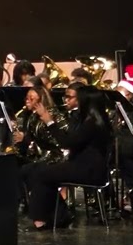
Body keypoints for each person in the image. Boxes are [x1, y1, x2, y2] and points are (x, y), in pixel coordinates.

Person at [23, 84, 111, 230]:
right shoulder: (92, 119)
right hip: (83, 166)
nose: (66, 100)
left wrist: (49, 122)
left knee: (41, 173)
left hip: (89, 170)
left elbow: (67, 143)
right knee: (40, 171)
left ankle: (44, 219)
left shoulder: (92, 123)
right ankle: (57, 216)